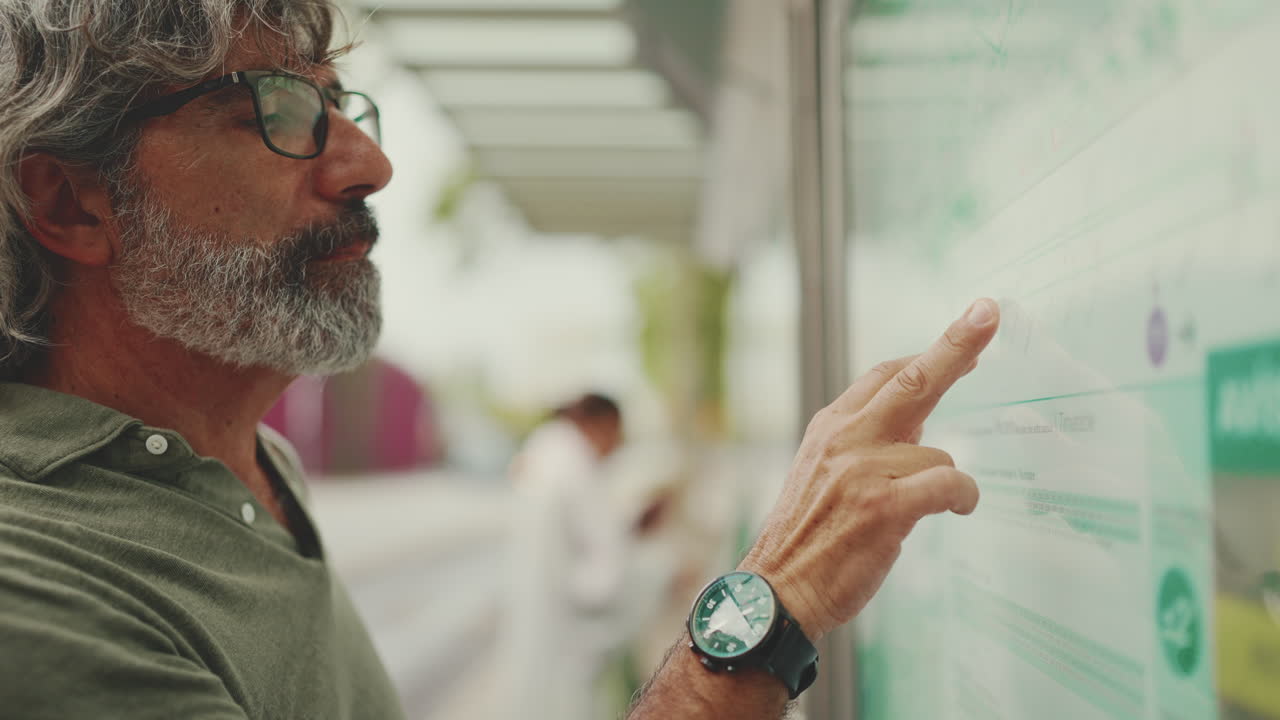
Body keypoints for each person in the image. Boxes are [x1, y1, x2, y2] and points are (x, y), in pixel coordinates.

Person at [0, 2, 999, 718]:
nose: (368, 163)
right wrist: (765, 613)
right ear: (71, 205)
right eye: (277, 110)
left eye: (341, 104)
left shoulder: (248, 467)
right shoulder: (35, 599)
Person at [503, 393, 629, 719]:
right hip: (569, 623)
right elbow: (606, 565)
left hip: (534, 606)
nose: (617, 446)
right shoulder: (577, 462)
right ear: (603, 424)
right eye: (618, 434)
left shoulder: (542, 448)